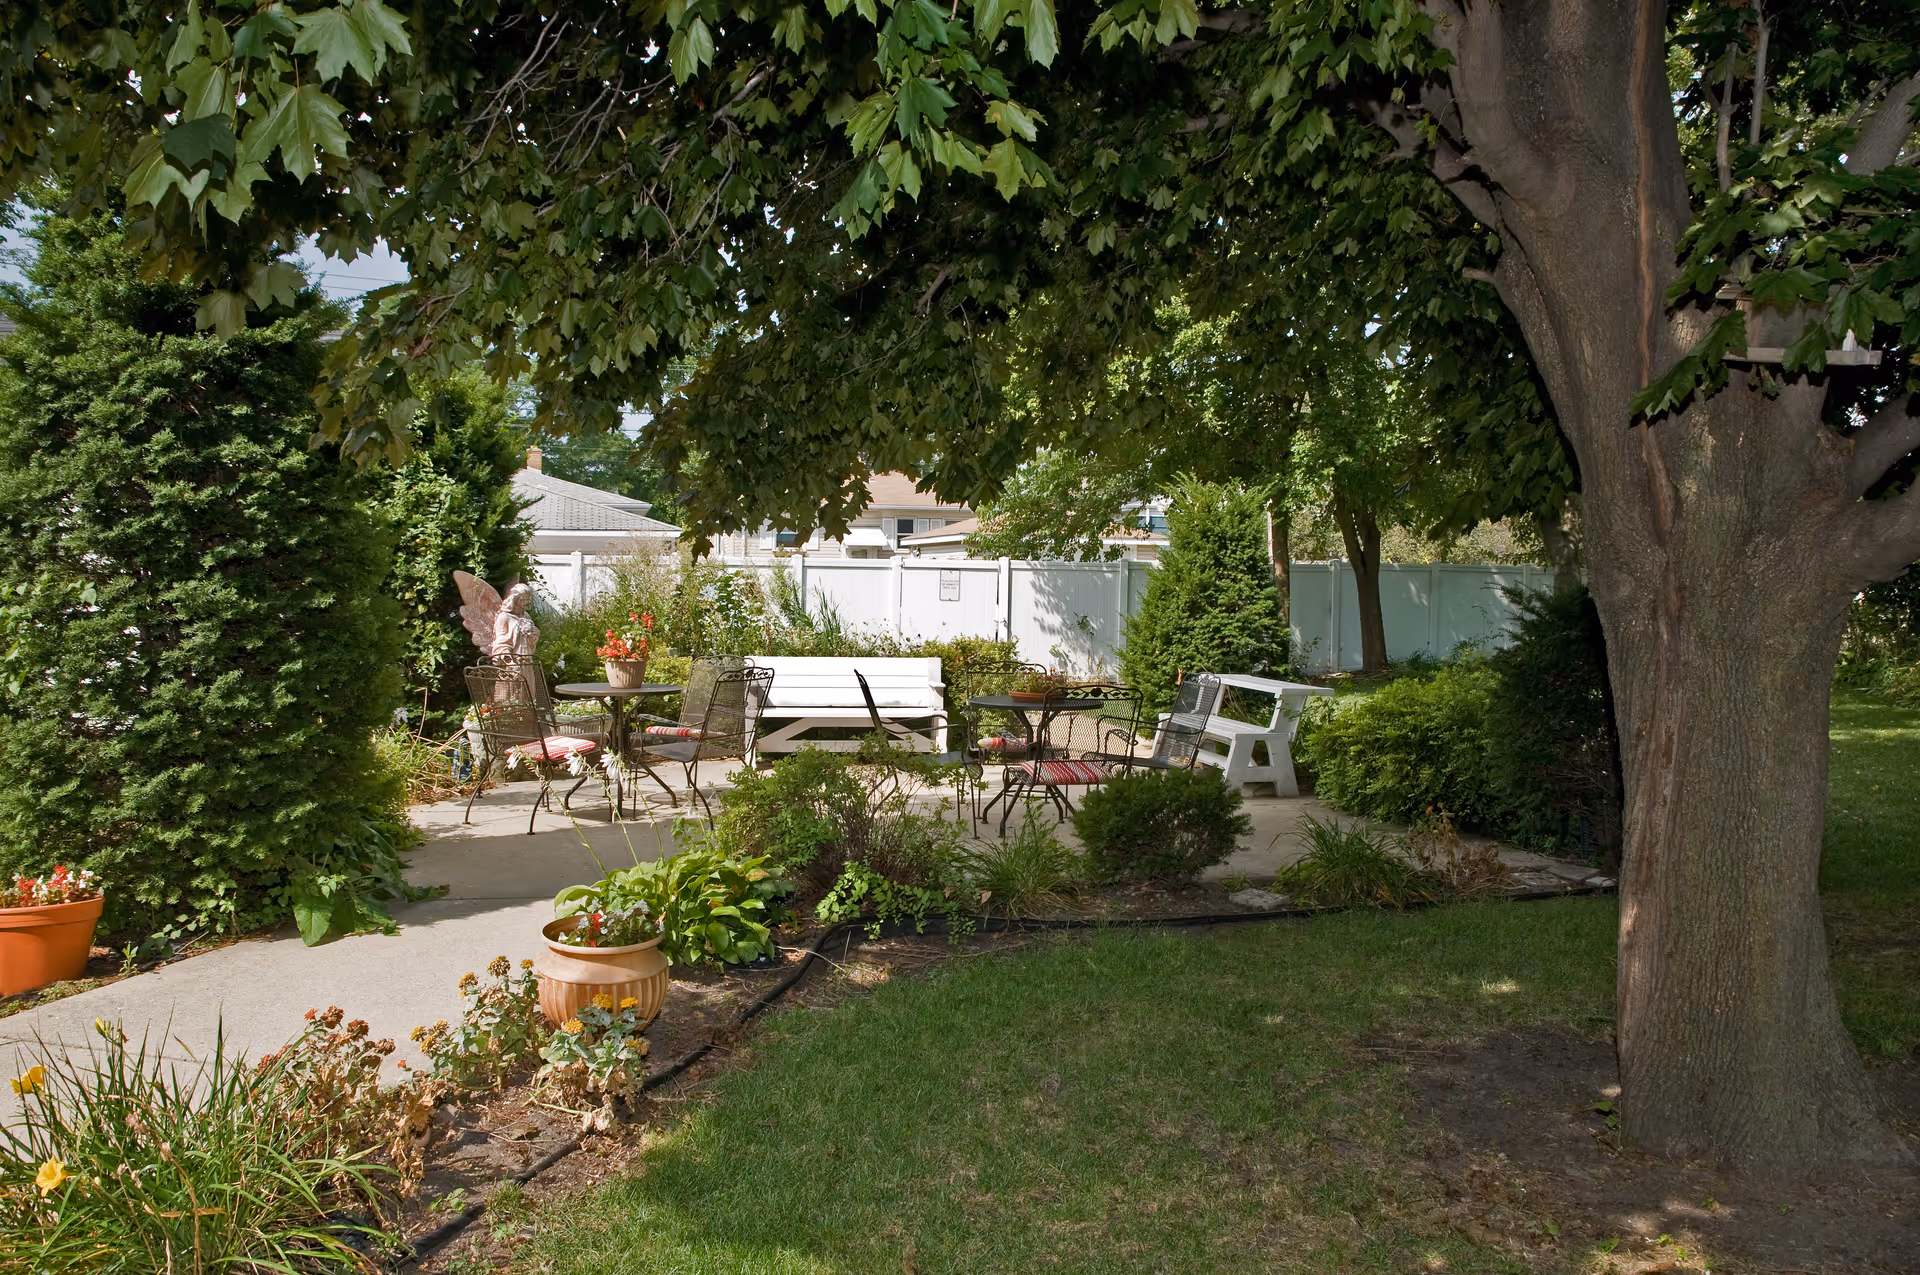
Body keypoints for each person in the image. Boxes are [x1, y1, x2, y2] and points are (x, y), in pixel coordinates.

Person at [490, 583, 540, 661]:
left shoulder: (526, 616)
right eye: (522, 600)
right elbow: (500, 641)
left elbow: (530, 640)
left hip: (527, 657)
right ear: (515, 599)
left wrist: (534, 633)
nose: (525, 602)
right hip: (512, 660)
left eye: (527, 599)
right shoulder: (504, 617)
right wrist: (507, 658)